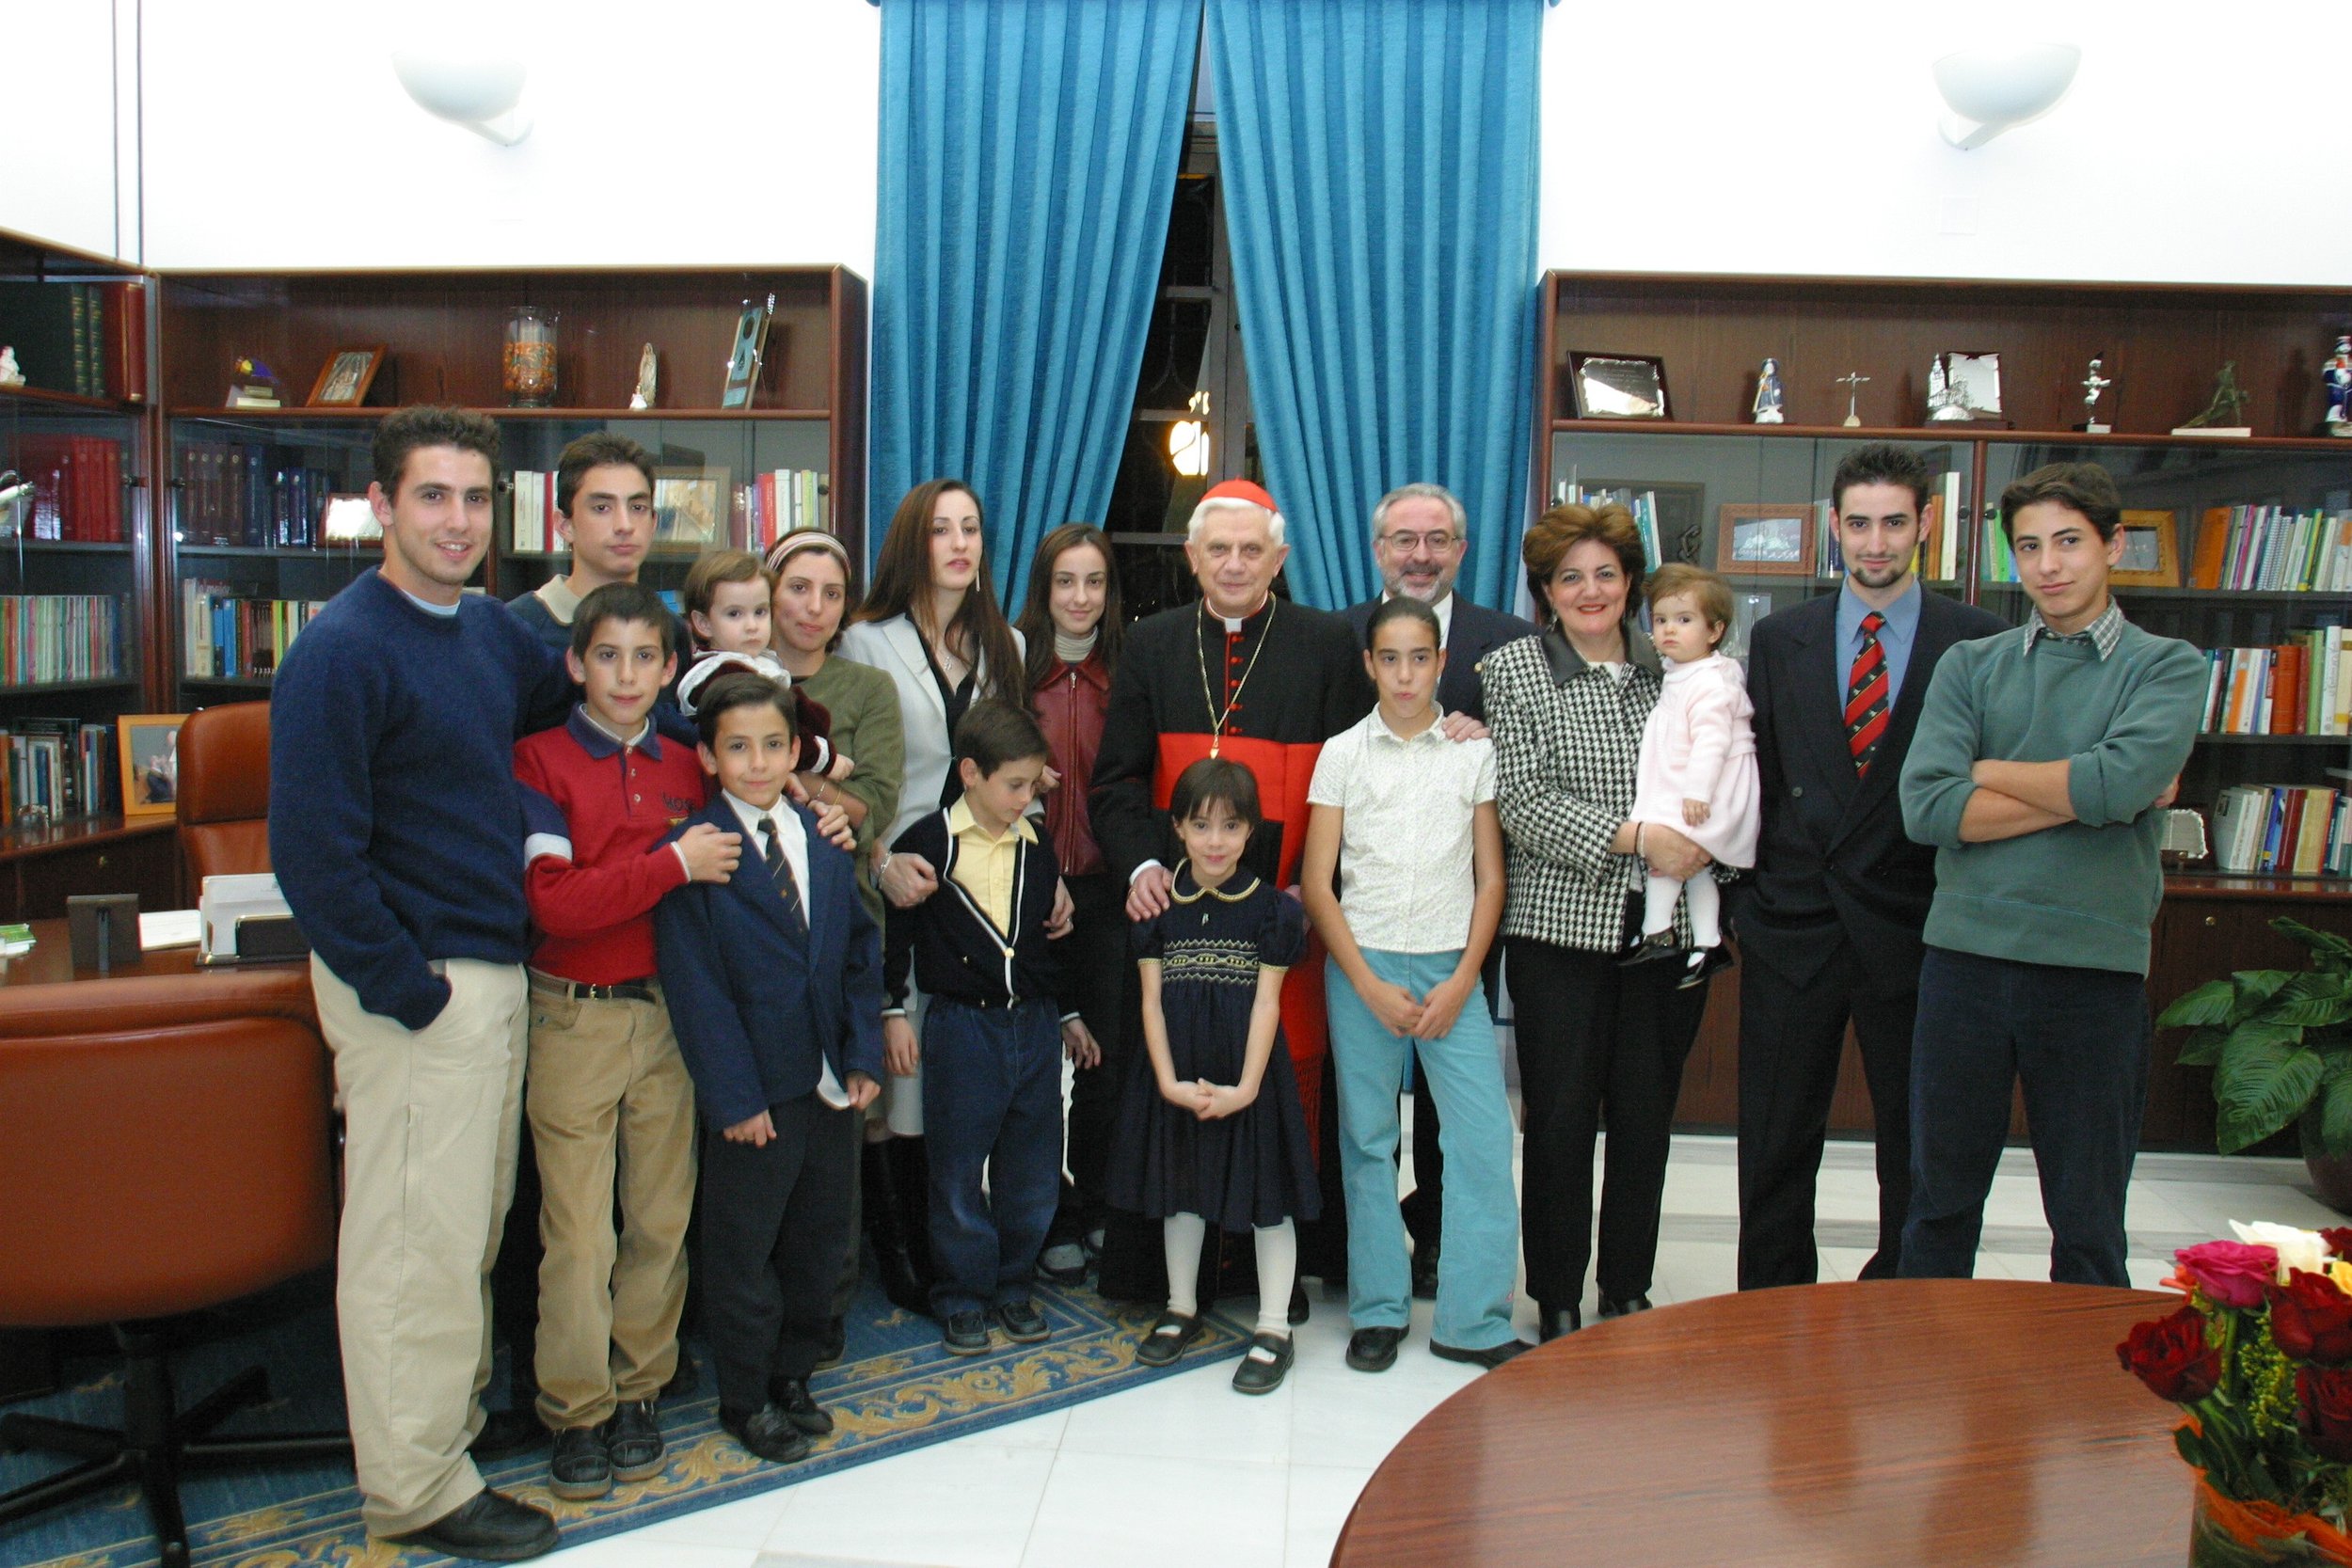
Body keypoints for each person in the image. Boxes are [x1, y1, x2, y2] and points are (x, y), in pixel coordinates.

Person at [269, 405, 571, 1561]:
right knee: (410, 1244)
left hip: (488, 974)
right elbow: (313, 855)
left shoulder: (487, 631)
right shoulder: (341, 648)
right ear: (384, 507)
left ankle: (436, 1446)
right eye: (433, 496)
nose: (457, 519)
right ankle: (413, 1489)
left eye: (476, 498)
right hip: (419, 987)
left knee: (464, 1229)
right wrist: (410, 988)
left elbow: (595, 693)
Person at [1898, 461, 2204, 1287]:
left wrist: (1989, 770)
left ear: (2111, 545)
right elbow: (1927, 810)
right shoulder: (1973, 665)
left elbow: (2123, 783)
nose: (2049, 565)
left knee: (2088, 1215)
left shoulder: (2168, 667)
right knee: (1940, 1204)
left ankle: (2092, 1401)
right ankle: (1919, 1387)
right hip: (1964, 964)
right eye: (2029, 546)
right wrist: (2096, 788)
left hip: (2092, 974)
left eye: (2069, 541)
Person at [1733, 442, 2005, 1292]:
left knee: (1917, 1142)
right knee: (1776, 1138)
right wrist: (1753, 906)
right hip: (1795, 926)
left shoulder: (1977, 640)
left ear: (1926, 524)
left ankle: (1904, 1300)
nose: (1875, 542)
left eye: (1893, 522)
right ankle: (1772, 1301)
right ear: (1834, 529)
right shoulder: (1782, 638)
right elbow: (1761, 778)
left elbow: (1976, 784)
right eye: (1858, 523)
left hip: (1918, 925)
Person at [1090, 478, 1371, 1302]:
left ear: (1280, 557)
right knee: (1178, 1067)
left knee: (1285, 1071)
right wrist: (1146, 868)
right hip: (1179, 912)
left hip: (1287, 912)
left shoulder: (1325, 643)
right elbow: (1117, 781)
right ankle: (1174, 1275)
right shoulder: (1152, 642)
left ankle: (1273, 1270)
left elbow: (1356, 775)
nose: (1236, 564)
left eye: (1253, 549)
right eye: (1220, 549)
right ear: (1192, 557)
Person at [1481, 500, 1714, 1341]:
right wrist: (1640, 836)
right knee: (1560, 1117)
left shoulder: (1680, 666)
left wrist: (1701, 834)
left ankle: (1626, 1282)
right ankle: (1556, 1290)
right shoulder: (1515, 667)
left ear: (1632, 583)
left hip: (1665, 927)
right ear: (1545, 589)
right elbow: (1523, 802)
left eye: (1606, 574)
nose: (1590, 590)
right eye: (1570, 576)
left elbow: (1720, 768)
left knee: (1647, 1114)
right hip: (1558, 933)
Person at [511, 582, 723, 1502]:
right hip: (574, 1015)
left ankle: (639, 1389)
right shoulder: (538, 760)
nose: (627, 674)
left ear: (670, 668)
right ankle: (577, 1408)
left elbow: (790, 742)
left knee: (660, 1220)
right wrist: (669, 864)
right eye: (608, 655)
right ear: (575, 663)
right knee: (577, 1231)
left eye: (645, 657)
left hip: (669, 1017)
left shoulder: (689, 761)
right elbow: (554, 900)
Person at [653, 673, 884, 1462]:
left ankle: (794, 1376)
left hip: (826, 1080)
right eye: (738, 748)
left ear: (796, 751)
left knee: (820, 1242)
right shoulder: (697, 850)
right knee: (745, 1250)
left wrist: (861, 1055)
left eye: (773, 745)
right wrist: (733, 1097)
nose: (757, 762)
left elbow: (858, 953)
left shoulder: (823, 835)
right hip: (756, 1088)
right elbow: (698, 991)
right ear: (709, 758)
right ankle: (745, 1396)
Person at [1302, 598, 1521, 1373]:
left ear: (1440, 661)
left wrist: (1465, 979)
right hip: (1361, 967)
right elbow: (1318, 883)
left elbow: (1490, 879)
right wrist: (1362, 980)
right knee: (1366, 1140)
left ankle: (1474, 1317)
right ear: (1369, 663)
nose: (1405, 674)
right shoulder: (1341, 754)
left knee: (1482, 1140)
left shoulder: (1471, 754)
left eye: (1420, 658)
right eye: (1389, 658)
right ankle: (1379, 1309)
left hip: (1448, 969)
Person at [1342, 483, 1531, 1296]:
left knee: (1461, 1114)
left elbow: (1531, 760)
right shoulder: (1336, 636)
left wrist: (1496, 737)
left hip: (1462, 920)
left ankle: (1441, 1243)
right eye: (1403, 539)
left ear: (1461, 547)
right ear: (1379, 548)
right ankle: (1366, 1264)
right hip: (1365, 918)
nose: (1420, 554)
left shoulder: (1511, 642)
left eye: (1438, 539)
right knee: (1365, 1111)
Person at [879, 701, 1098, 1354]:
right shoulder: (927, 845)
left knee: (1031, 1167)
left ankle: (1012, 1283)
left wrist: (1065, 1012)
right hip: (959, 1029)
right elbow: (898, 937)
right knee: (955, 1169)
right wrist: (894, 1011)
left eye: (1034, 784)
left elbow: (1043, 945)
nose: (1027, 797)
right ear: (970, 773)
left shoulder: (1035, 847)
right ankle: (962, 1293)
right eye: (1015, 785)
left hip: (1030, 1028)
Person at [1109, 757, 1321, 1394]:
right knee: (1182, 1190)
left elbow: (1266, 1002)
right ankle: (1180, 1306)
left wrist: (1250, 1086)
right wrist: (1169, 1081)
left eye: (1231, 826)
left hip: (1248, 1076)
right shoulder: (1155, 909)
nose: (1216, 840)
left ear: (1251, 829)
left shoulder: (1271, 913)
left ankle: (1274, 1326)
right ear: (1176, 828)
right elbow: (1150, 1002)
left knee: (1267, 1200)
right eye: (1201, 825)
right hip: (1179, 1074)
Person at [763, 531, 917, 1330]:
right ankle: (748, 1302)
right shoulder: (734, 674)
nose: (813, 607)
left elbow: (876, 804)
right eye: (798, 588)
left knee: (842, 1114)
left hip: (846, 919)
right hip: (752, 922)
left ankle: (827, 1305)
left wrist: (790, 777)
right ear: (770, 589)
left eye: (830, 593)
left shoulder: (865, 687)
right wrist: (827, 780)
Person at [1015, 523, 1128, 1284]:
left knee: (1103, 1059)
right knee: (1029, 1063)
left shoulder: (1131, 667)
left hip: (1111, 889)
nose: (1080, 597)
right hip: (1024, 882)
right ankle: (1041, 1209)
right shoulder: (1012, 665)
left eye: (1093, 582)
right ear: (1043, 588)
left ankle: (1093, 1204)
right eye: (1065, 581)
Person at [1622, 562, 1758, 988]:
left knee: (1668, 857)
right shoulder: (1683, 672)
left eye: (1684, 620)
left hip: (1707, 791)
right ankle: (1706, 943)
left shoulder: (1711, 682)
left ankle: (1657, 931)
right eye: (1660, 620)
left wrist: (1698, 791)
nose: (1668, 630)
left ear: (1715, 630)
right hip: (1686, 783)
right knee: (1691, 867)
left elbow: (1712, 741)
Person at [675, 547, 843, 782]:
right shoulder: (719, 674)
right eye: (735, 614)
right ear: (703, 623)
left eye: (760, 612)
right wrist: (824, 759)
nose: (752, 625)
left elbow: (807, 716)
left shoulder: (760, 664)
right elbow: (768, 731)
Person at [506, 433, 660, 657]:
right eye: (602, 508)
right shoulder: (517, 627)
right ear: (565, 525)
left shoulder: (669, 629)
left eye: (637, 508)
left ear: (654, 523)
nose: (625, 525)